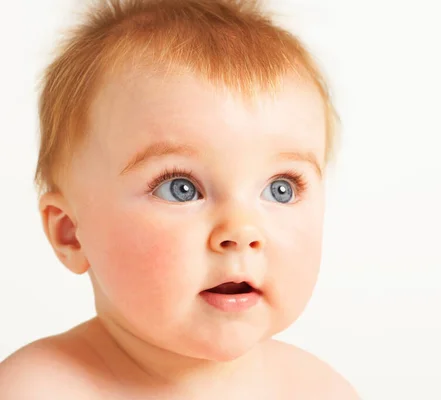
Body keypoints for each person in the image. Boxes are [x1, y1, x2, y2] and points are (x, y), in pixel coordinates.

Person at [0, 0, 359, 398]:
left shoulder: (317, 388)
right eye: (180, 188)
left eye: (282, 188)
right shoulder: (38, 389)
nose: (241, 231)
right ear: (71, 232)